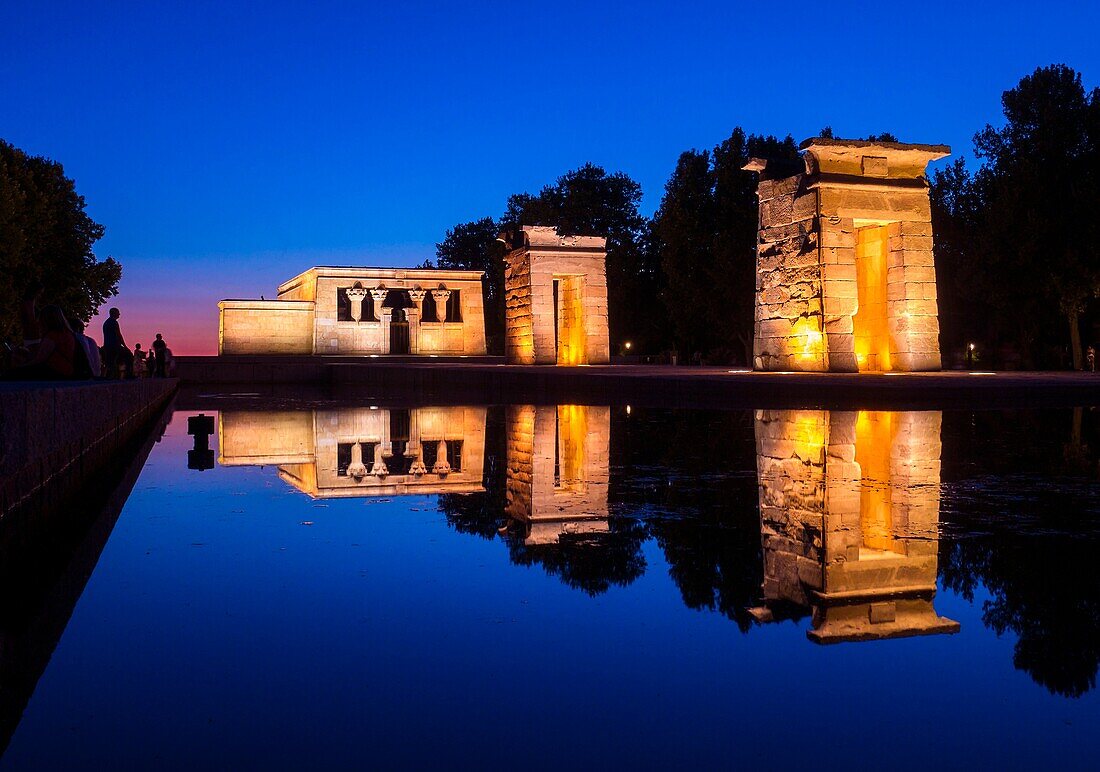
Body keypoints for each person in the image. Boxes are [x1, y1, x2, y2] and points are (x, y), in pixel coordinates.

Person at [5, 305, 78, 380]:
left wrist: (21, 367)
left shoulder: (52, 336)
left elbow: (39, 359)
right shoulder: (68, 334)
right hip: (66, 371)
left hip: (57, 371)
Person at [102, 307, 134, 378]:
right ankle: (129, 375)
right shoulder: (114, 322)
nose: (119, 314)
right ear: (114, 313)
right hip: (114, 345)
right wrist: (125, 346)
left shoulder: (106, 323)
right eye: (118, 313)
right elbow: (118, 335)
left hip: (107, 345)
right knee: (129, 355)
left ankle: (110, 376)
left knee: (110, 362)